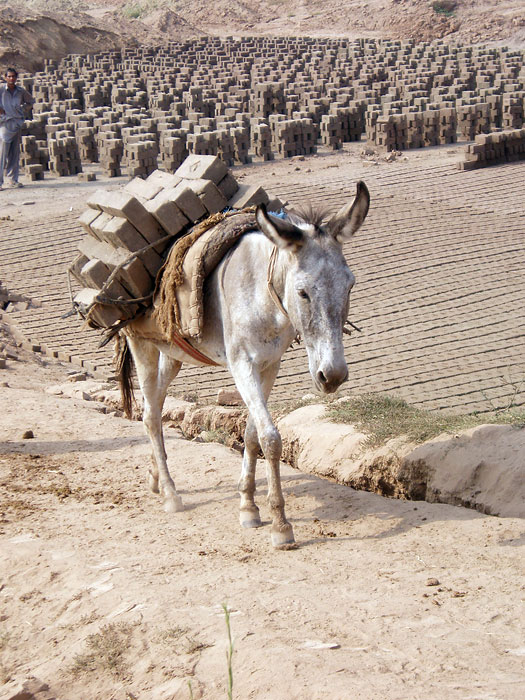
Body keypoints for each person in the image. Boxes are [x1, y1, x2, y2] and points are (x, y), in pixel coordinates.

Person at [0, 68, 33, 190]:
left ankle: (13, 180)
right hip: (5, 124)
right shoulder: (1, 90)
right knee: (1, 154)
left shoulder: (20, 91)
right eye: (9, 76)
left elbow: (31, 102)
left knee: (14, 154)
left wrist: (22, 109)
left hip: (17, 124)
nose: (11, 79)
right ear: (5, 77)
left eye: (13, 76)